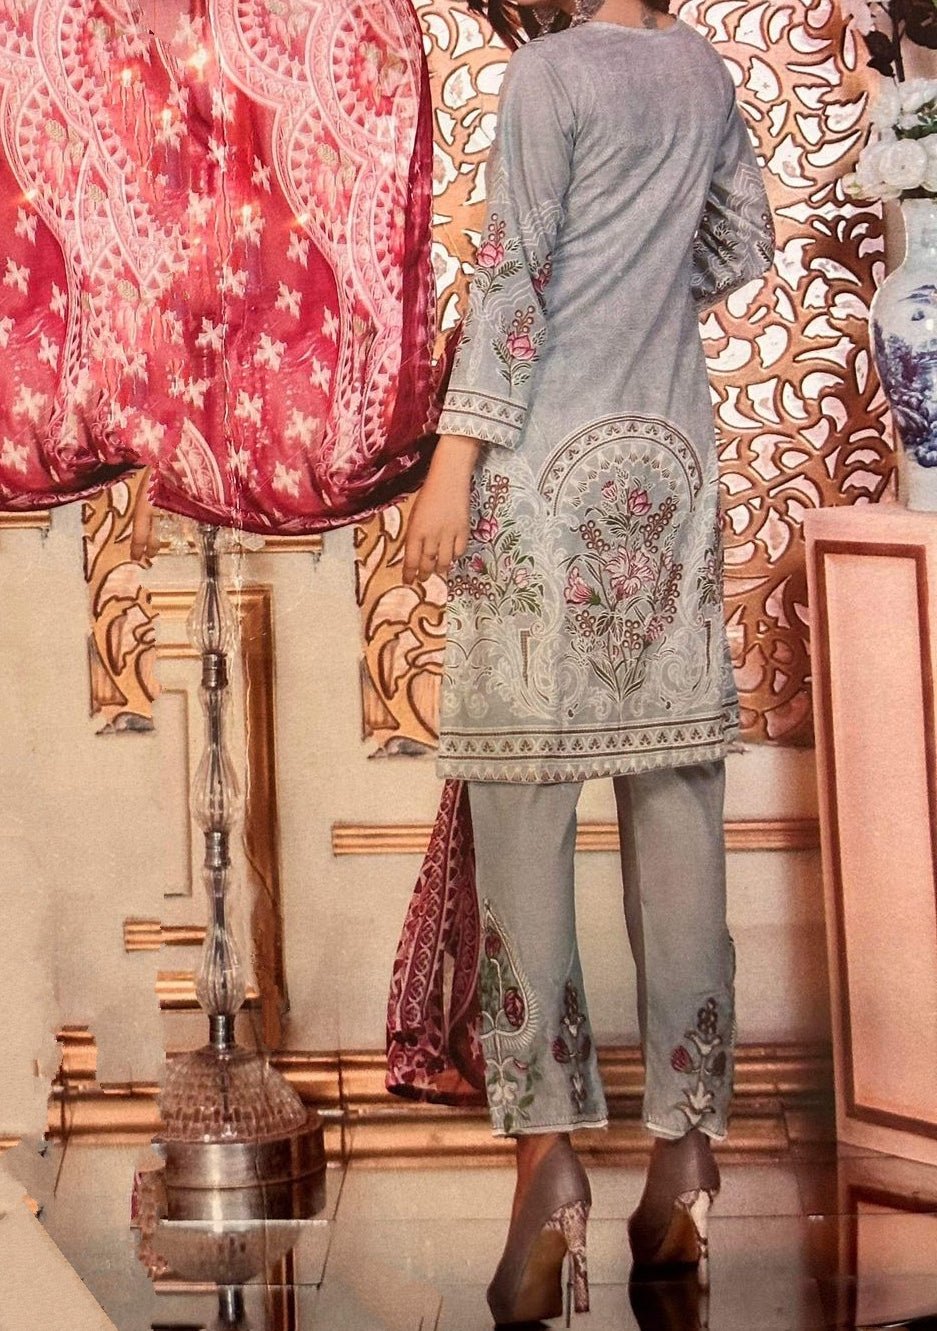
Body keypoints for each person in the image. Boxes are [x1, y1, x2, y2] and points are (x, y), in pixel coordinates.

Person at [401, 0, 774, 1322]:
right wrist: (635, 283)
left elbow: (513, 285)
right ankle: (686, 1152)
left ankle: (548, 1161)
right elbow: (741, 243)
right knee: (678, 821)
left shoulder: (547, 76)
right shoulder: (701, 69)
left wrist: (452, 461)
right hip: (669, 470)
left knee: (523, 831)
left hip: (540, 475)